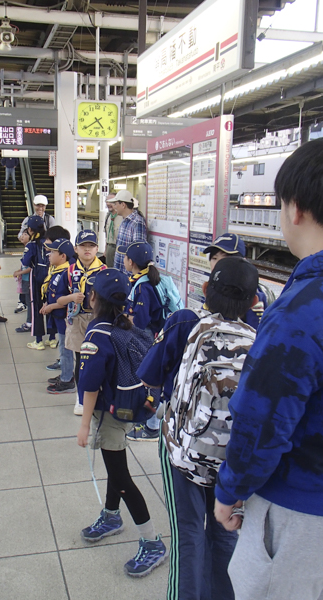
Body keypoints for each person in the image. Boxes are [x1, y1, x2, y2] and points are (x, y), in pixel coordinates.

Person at [214, 139, 323, 600]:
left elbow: (261, 421)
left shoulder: (301, 309)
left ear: (294, 208)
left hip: (301, 509)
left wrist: (229, 490)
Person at [138, 257, 259, 600]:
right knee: (224, 533)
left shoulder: (184, 322)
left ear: (205, 290)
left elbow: (148, 375)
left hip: (184, 455)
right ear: (253, 301)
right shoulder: (260, 339)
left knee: (188, 533)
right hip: (232, 462)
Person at [77, 268, 167, 577]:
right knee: (116, 469)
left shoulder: (96, 335)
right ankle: (111, 515)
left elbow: (89, 386)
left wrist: (84, 425)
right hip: (126, 409)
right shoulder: (128, 326)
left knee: (122, 477)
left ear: (93, 299)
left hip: (109, 416)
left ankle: (152, 542)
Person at [118, 241, 165, 442]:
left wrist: (127, 321)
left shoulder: (143, 286)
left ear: (132, 261)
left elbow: (142, 320)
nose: (123, 261)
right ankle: (149, 421)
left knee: (149, 379)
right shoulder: (141, 279)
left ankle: (152, 427)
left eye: (125, 258)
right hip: (149, 335)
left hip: (147, 337)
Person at [56, 230, 106, 415]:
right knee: (80, 360)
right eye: (83, 246)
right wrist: (71, 297)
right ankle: (81, 397)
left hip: (98, 320)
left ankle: (99, 394)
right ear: (75, 249)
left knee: (98, 358)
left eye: (91, 246)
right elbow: (58, 300)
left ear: (97, 249)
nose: (87, 249)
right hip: (76, 319)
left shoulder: (104, 271)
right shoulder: (68, 272)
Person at [203, 233, 269, 329]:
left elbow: (256, 332)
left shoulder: (250, 293)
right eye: (214, 258)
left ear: (243, 261)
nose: (219, 264)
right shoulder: (213, 287)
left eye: (226, 258)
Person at [41, 238, 76, 394]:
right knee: (62, 347)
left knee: (65, 348)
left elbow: (67, 299)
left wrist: (51, 306)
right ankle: (65, 374)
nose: (49, 254)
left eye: (53, 252)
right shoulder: (55, 270)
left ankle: (67, 380)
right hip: (56, 316)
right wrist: (46, 304)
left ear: (63, 256)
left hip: (64, 318)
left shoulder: (66, 273)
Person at [18, 215, 49, 350]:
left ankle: (39, 340)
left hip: (36, 277)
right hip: (50, 277)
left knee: (36, 306)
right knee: (50, 306)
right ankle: (53, 339)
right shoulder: (49, 242)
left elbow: (25, 262)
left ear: (30, 230)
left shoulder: (31, 245)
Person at [110, 190, 147, 275]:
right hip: (120, 271)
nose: (114, 206)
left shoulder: (137, 222)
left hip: (129, 275)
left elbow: (138, 251)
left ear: (123, 205)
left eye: (116, 204)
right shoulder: (124, 220)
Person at [13, 228, 31, 327]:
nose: (22, 236)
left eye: (25, 234)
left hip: (28, 279)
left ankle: (29, 323)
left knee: (29, 301)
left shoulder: (30, 248)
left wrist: (20, 273)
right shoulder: (26, 248)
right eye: (22, 234)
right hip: (25, 278)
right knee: (28, 301)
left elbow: (30, 267)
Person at [104, 193, 123, 267]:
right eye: (107, 201)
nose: (108, 204)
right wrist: (106, 250)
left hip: (119, 249)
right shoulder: (108, 216)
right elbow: (107, 235)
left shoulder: (122, 217)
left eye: (111, 201)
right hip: (109, 248)